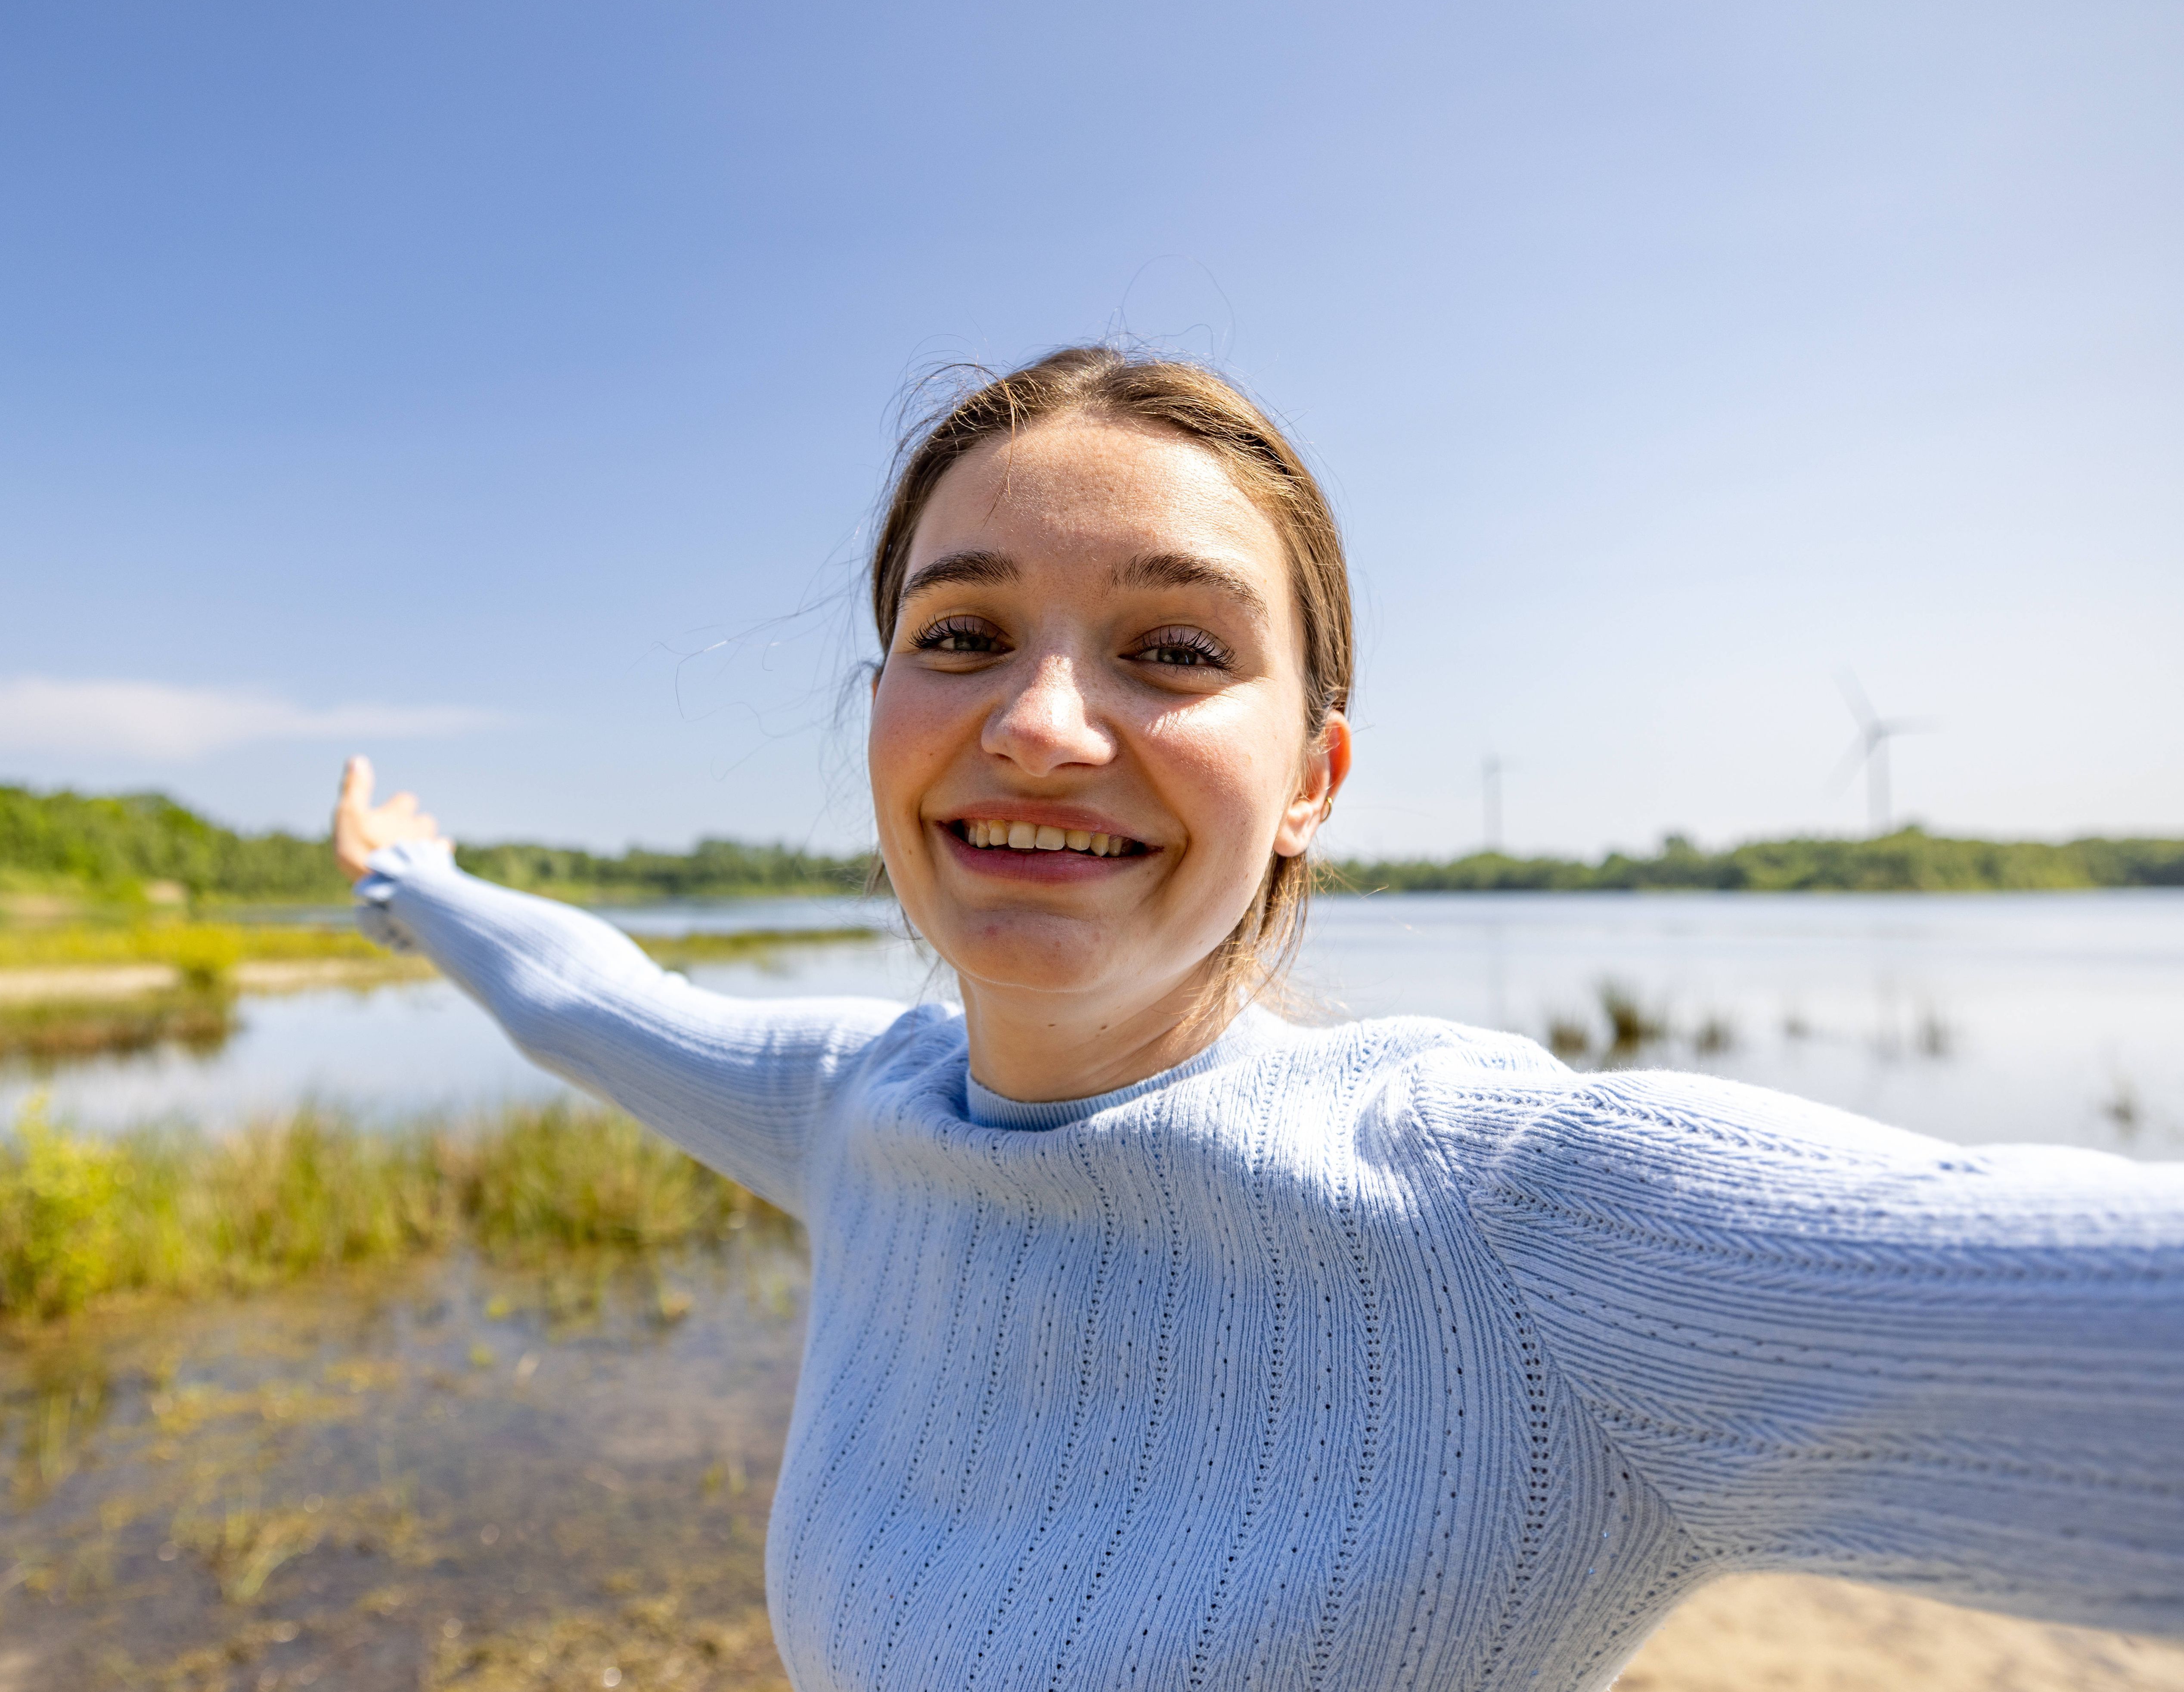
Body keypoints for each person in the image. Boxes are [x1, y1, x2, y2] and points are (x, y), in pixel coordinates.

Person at [334, 346, 2183, 1692]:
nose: (1043, 722)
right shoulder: (854, 1104)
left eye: (1178, 648)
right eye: (962, 633)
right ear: (884, 705)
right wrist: (411, 883)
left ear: (1314, 775)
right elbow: (592, 996)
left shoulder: (1523, 1234)